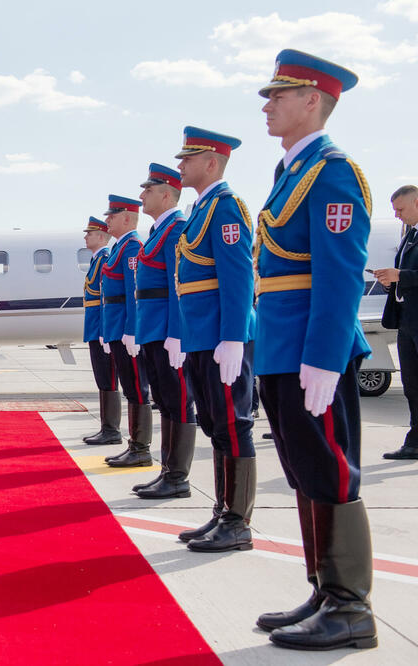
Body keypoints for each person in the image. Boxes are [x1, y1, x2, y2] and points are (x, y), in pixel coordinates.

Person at [254, 50, 376, 650]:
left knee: (329, 470)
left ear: (312, 101)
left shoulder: (333, 172)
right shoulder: (291, 172)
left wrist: (325, 355)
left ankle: (352, 608)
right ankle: (325, 589)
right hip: (281, 345)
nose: (267, 105)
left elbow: (341, 273)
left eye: (279, 95)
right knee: (304, 470)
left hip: (311, 350)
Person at [173, 126, 257, 553]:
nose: (180, 165)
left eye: (188, 158)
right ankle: (224, 512)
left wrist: (233, 338)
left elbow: (238, 276)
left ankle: (238, 522)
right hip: (201, 337)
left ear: (211, 162)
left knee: (232, 424)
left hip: (220, 339)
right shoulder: (201, 210)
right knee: (214, 425)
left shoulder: (226, 208)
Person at [132, 165, 197, 499]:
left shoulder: (176, 228)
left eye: (149, 189)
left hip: (166, 329)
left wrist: (177, 333)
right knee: (166, 402)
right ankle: (167, 471)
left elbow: (177, 285)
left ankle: (178, 476)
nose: (142, 195)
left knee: (178, 401)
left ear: (167, 194)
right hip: (152, 327)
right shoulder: (159, 230)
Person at [100, 196, 152, 468]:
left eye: (113, 215)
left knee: (137, 388)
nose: (107, 219)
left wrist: (132, 330)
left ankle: (141, 448)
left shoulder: (132, 248)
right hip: (117, 328)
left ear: (128, 219)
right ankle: (135, 445)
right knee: (131, 389)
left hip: (125, 330)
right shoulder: (120, 248)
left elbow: (133, 294)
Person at [375, 186, 418, 460]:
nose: (397, 215)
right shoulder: (409, 235)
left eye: (401, 209)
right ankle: (414, 441)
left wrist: (400, 275)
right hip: (407, 320)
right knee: (412, 384)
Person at [81, 216, 121, 446]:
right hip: (95, 327)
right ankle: (107, 427)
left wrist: (105, 331)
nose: (86, 237)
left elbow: (107, 298)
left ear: (101, 236)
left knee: (108, 378)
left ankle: (112, 429)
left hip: (101, 328)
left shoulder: (105, 259)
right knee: (102, 379)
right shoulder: (97, 260)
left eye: (89, 233)